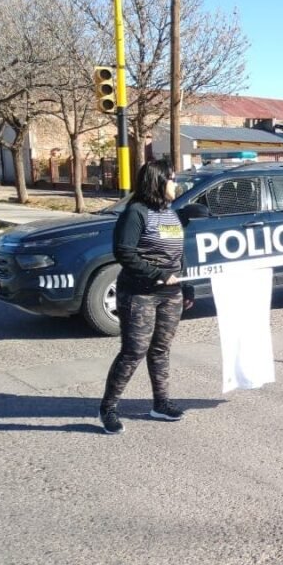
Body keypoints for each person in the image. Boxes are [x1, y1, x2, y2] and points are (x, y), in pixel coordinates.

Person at [99, 160, 192, 434]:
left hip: (170, 294)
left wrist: (187, 286)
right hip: (139, 294)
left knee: (161, 350)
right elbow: (124, 252)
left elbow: (178, 252)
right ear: (157, 181)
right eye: (172, 179)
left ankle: (161, 404)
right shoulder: (136, 213)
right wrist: (156, 274)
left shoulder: (170, 212)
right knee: (133, 352)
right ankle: (108, 408)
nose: (176, 184)